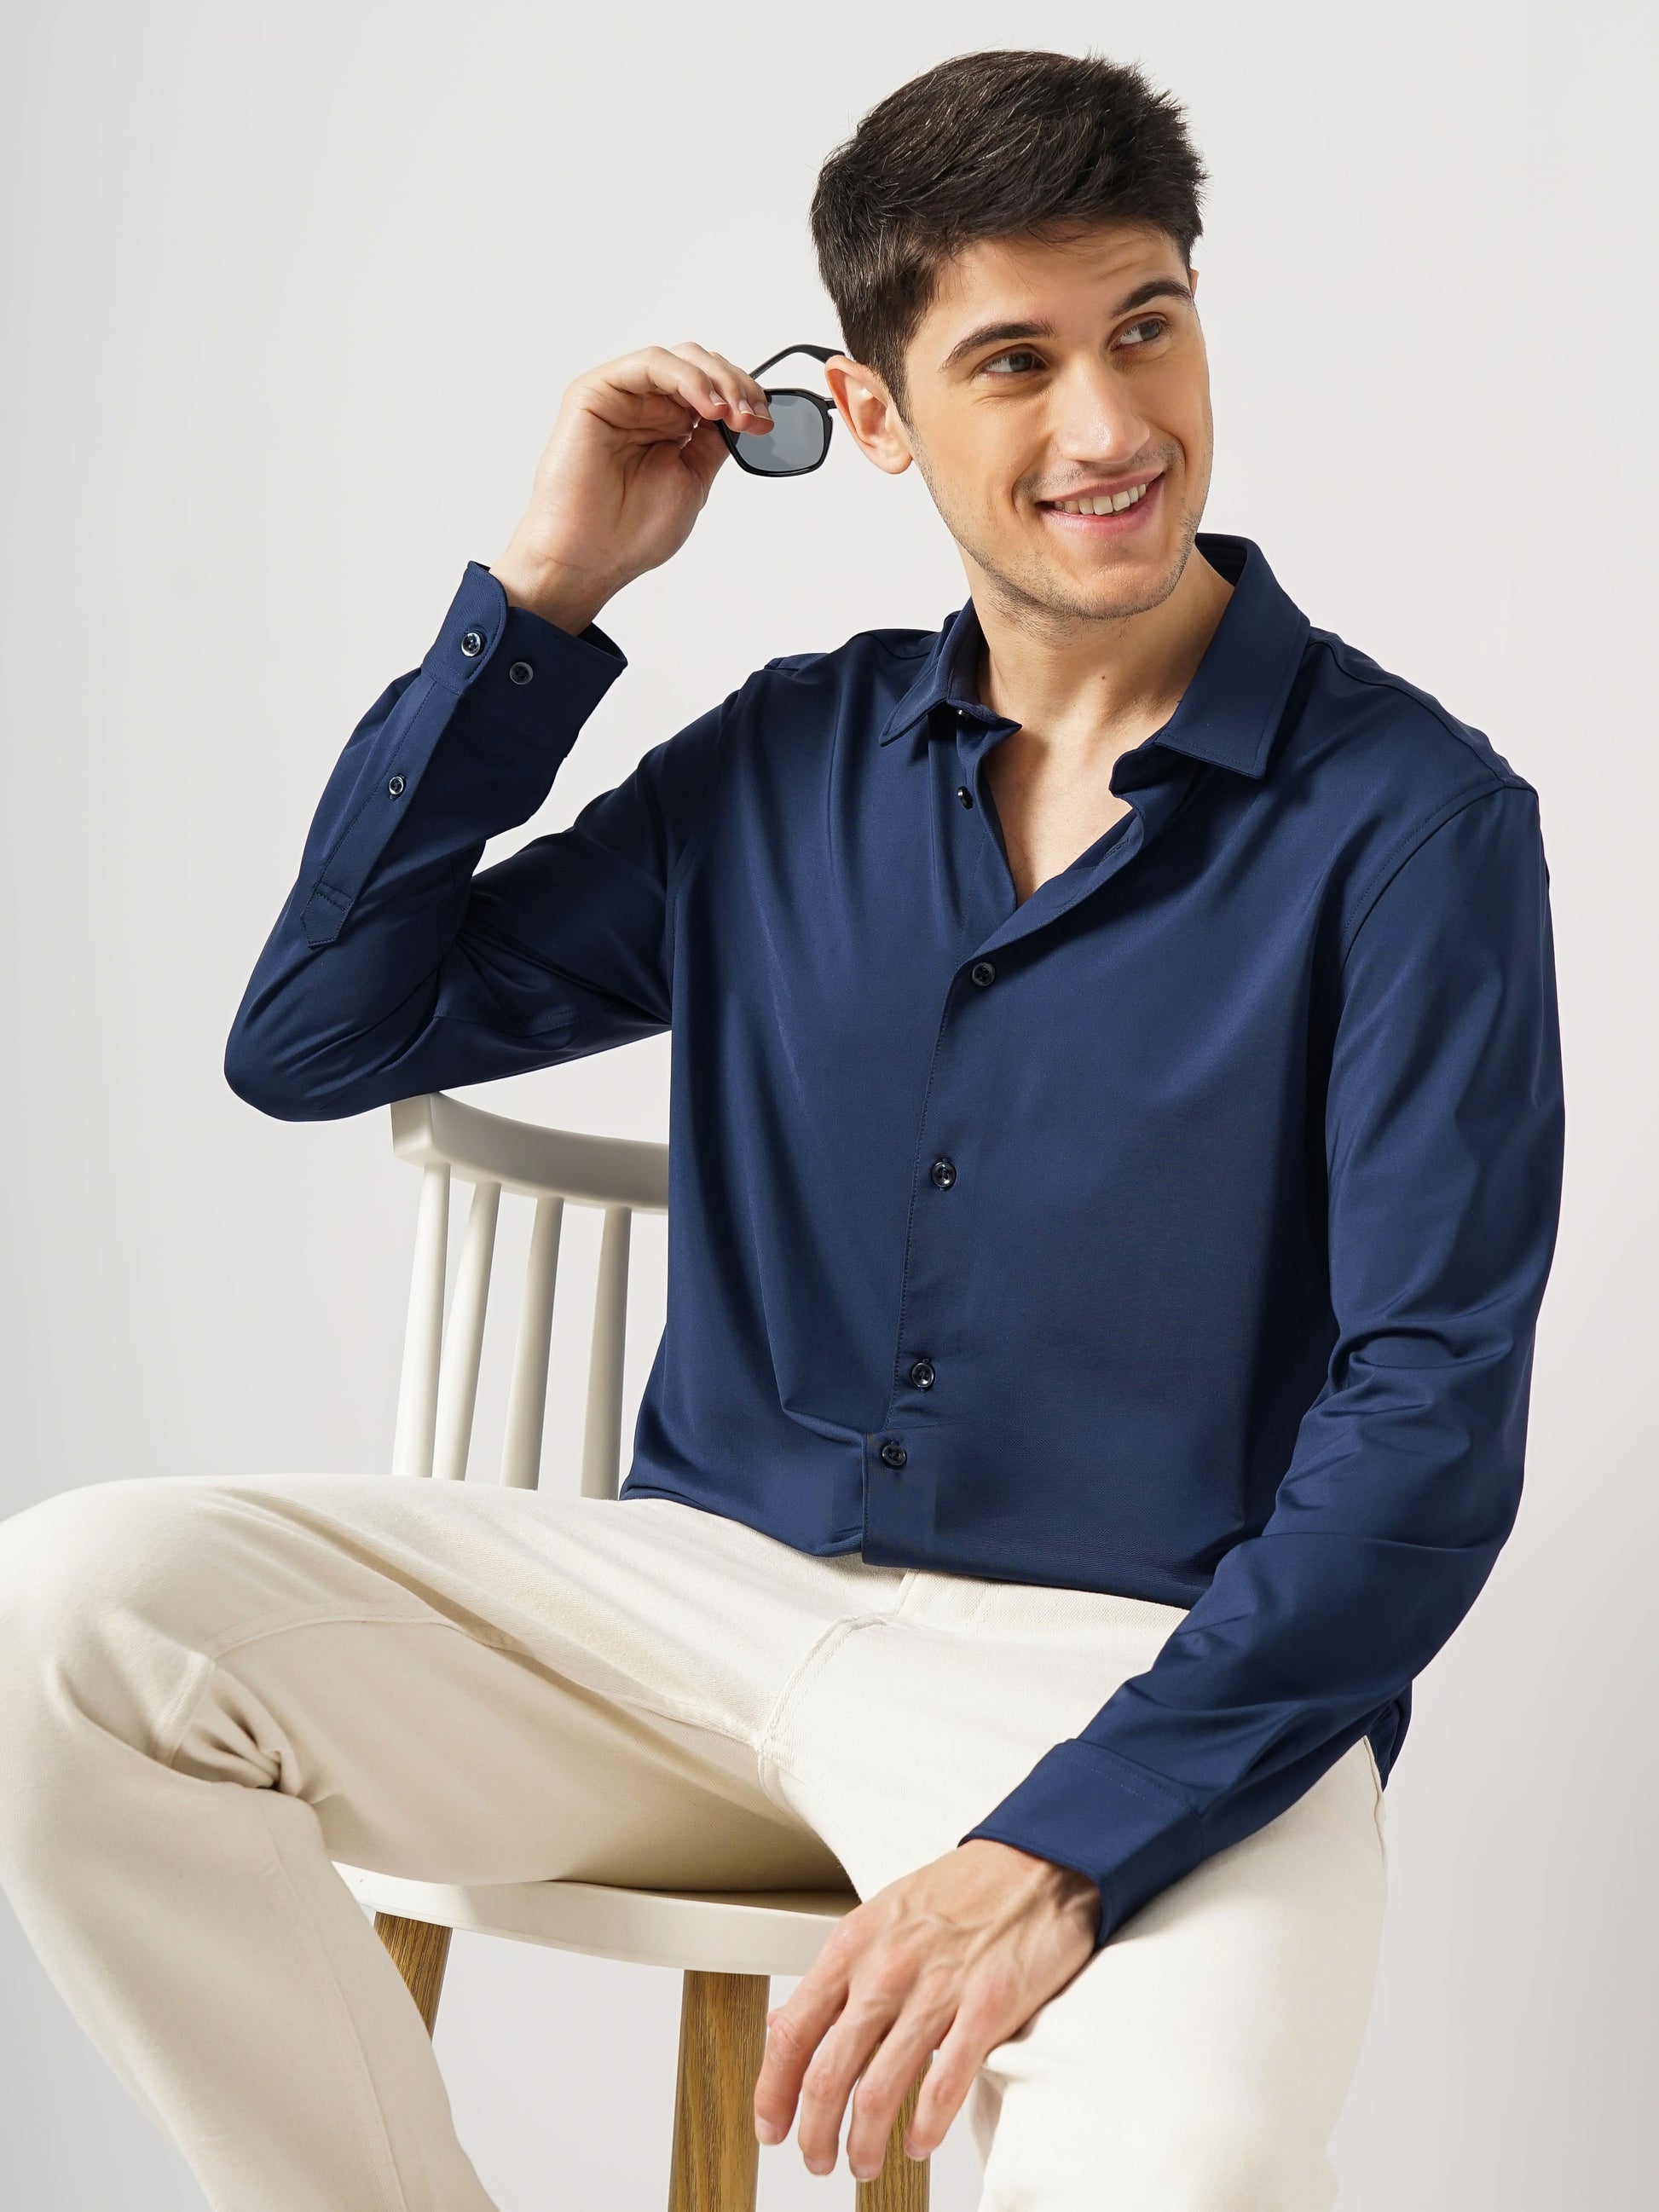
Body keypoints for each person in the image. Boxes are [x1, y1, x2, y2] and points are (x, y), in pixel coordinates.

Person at [0, 45, 1564, 2212]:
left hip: (1126, 1666)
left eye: (1145, 327)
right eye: (1014, 361)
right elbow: (318, 1031)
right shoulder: (784, 764)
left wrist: (1054, 1847)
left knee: (1189, 2158)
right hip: (686, 1604)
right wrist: (543, 605)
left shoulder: (1412, 822)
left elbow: (1428, 1415)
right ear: (877, 413)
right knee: (66, 1615)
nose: (1110, 426)